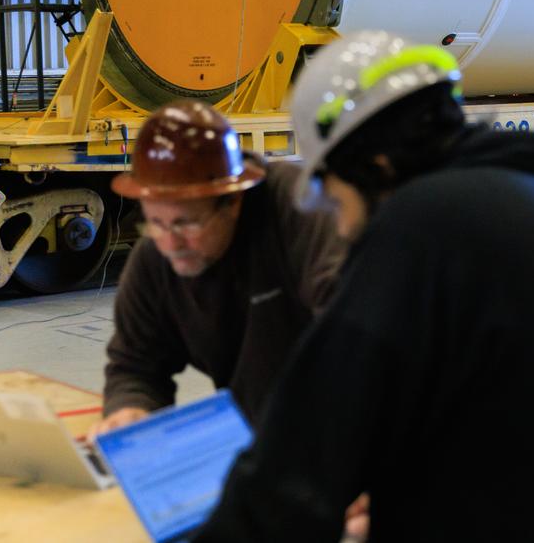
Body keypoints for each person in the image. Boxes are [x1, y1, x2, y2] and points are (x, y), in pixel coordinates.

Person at [195, 32, 534, 542]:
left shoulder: (422, 226)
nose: (339, 226)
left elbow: (294, 470)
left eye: (334, 195)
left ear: (379, 162)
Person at [88, 100, 347, 437]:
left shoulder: (301, 211)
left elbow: (357, 339)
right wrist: (131, 408)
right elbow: (136, 364)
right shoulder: (156, 259)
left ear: (233, 202)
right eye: (156, 223)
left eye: (186, 224)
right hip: (263, 438)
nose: (171, 243)